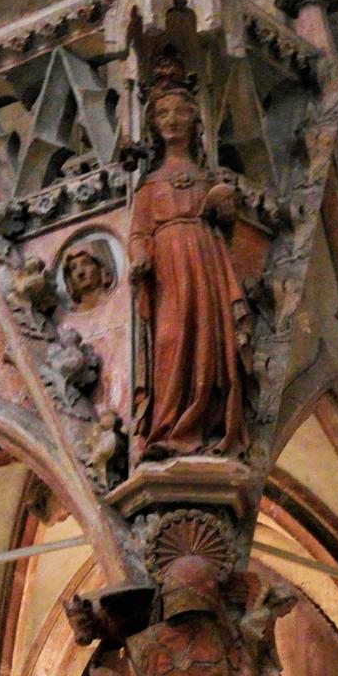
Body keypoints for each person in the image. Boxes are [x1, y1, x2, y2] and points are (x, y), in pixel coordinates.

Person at [129, 50, 251, 460]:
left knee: (207, 343)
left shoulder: (206, 178)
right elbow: (138, 231)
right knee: (170, 339)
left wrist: (223, 210)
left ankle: (202, 423)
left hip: (204, 261)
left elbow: (226, 230)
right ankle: (168, 426)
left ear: (195, 120)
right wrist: (140, 256)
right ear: (153, 123)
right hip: (167, 268)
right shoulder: (149, 185)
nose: (172, 120)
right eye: (163, 113)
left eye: (180, 112)